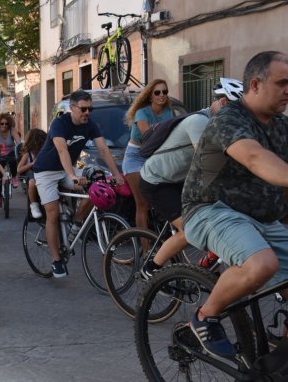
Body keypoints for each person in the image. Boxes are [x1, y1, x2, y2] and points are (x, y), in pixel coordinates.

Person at [182, 51, 288, 360]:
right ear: (254, 84)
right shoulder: (228, 119)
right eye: (282, 83)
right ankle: (204, 316)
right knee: (262, 265)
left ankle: (277, 361)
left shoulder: (281, 126)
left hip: (264, 217)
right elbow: (255, 158)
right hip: (211, 210)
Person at [139, 78, 244, 279]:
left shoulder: (216, 124)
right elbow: (206, 162)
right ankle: (150, 270)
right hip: (157, 181)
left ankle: (207, 267)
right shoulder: (199, 122)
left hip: (178, 181)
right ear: (223, 104)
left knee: (217, 213)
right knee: (189, 231)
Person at [33, 90, 124, 278]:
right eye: (83, 109)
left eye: (90, 109)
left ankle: (76, 224)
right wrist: (72, 176)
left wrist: (117, 174)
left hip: (68, 170)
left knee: (97, 188)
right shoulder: (60, 123)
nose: (87, 113)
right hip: (46, 171)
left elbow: (103, 149)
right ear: (72, 108)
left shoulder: (90, 125)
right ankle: (56, 260)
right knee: (53, 213)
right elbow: (62, 150)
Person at [122, 79, 174, 232]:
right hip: (135, 157)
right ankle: (145, 250)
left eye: (165, 92)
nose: (161, 95)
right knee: (142, 204)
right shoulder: (142, 113)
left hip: (155, 156)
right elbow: (149, 138)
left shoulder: (168, 112)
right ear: (150, 95)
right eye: (157, 92)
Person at [0, 113, 21, 209]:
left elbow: (18, 143)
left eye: (6, 124)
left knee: (13, 160)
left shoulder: (12, 130)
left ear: (9, 124)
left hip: (10, 153)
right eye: (2, 124)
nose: (4, 126)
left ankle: (14, 176)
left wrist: (21, 153)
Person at [17, 128, 48, 219]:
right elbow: (19, 169)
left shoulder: (44, 152)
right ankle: (34, 205)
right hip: (31, 172)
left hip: (42, 172)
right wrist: (32, 164)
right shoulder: (28, 153)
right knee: (32, 182)